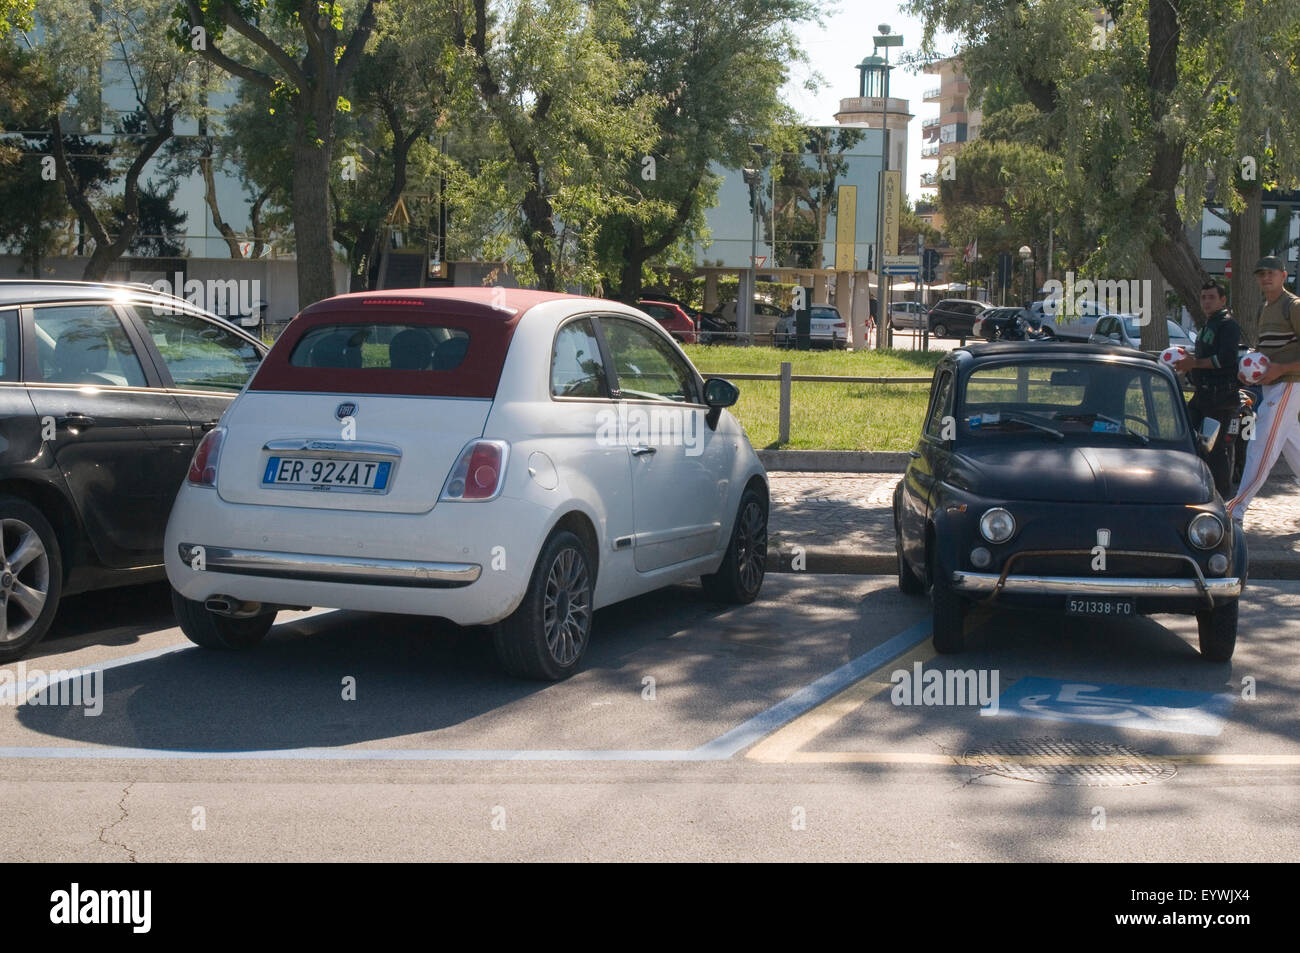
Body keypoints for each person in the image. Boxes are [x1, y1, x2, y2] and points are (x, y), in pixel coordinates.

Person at [1226, 256, 1300, 524]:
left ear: (1284, 275)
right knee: (1295, 447)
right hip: (1271, 387)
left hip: (1289, 383)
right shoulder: (1264, 309)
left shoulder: (1293, 305)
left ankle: (1236, 508)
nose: (1265, 278)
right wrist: (1247, 369)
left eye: (1271, 273)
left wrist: (1281, 368)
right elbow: (1263, 350)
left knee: (1261, 445)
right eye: (1261, 274)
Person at [1173, 280, 1240, 497]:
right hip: (1202, 396)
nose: (1206, 301)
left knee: (1216, 449)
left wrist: (1195, 363)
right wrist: (1187, 361)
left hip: (1221, 396)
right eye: (1203, 297)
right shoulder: (1208, 324)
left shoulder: (1228, 324)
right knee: (1185, 437)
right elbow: (1201, 357)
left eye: (1211, 297)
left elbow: (1227, 359)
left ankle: (1224, 498)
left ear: (1223, 300)